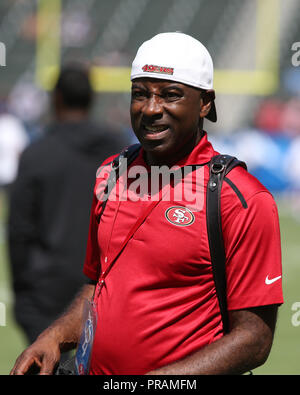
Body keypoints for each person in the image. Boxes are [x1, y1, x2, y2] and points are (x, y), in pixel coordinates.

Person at [10, 33, 283, 375]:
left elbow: (254, 339)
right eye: (140, 94)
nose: (151, 109)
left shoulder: (239, 197)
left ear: (204, 103)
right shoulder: (110, 175)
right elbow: (97, 288)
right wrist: (54, 335)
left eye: (170, 95)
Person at [8, 64, 126, 346]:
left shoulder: (37, 154)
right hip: (104, 287)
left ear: (56, 98)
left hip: (47, 291)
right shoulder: (120, 151)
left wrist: (23, 295)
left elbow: (19, 231)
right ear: (92, 98)